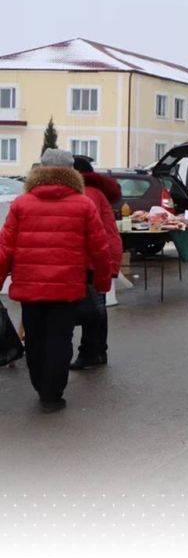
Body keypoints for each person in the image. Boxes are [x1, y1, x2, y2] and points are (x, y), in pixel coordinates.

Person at [0, 148, 112, 412]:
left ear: (39, 170)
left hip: (29, 288)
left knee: (35, 338)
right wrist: (102, 282)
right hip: (67, 288)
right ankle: (52, 394)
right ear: (71, 172)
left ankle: (41, 385)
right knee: (60, 339)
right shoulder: (83, 204)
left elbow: (5, 247)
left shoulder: (21, 203)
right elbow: (100, 248)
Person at [69, 155, 123, 371]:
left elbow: (89, 232)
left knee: (92, 308)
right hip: (103, 254)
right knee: (97, 306)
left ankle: (90, 352)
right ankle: (98, 351)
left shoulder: (87, 193)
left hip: (94, 258)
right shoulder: (95, 191)